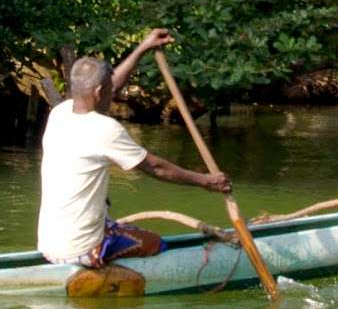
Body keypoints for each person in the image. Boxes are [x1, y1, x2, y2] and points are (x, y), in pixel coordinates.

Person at [36, 29, 231, 276]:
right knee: (154, 243)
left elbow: (110, 83)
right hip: (81, 248)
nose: (113, 93)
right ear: (98, 93)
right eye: (108, 90)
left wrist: (142, 48)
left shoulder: (60, 114)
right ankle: (103, 269)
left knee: (115, 226)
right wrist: (206, 181)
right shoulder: (105, 129)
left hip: (49, 245)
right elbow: (155, 167)